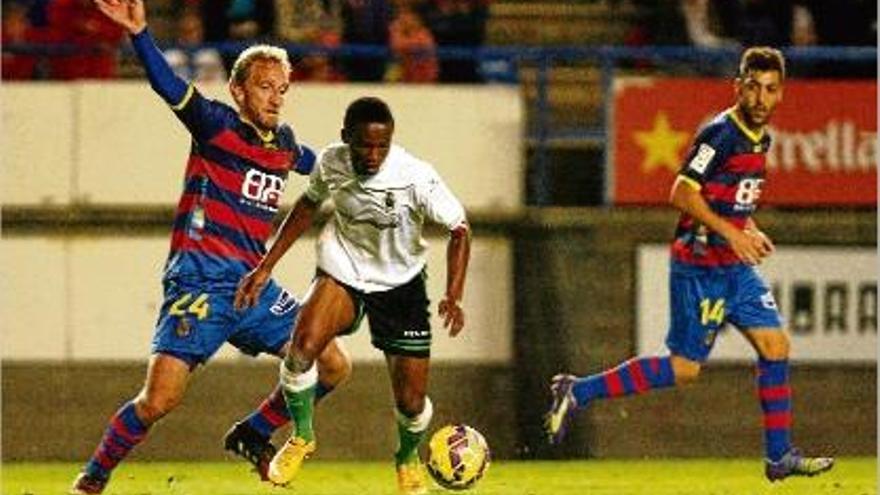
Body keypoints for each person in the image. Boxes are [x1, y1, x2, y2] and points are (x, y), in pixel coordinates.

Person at [70, 1, 351, 493]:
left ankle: (253, 432)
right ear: (238, 90)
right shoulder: (215, 125)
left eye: (282, 89)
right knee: (158, 401)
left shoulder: (283, 145)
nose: (275, 98)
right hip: (198, 282)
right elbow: (169, 87)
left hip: (251, 289)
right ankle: (92, 479)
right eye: (265, 87)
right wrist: (140, 35)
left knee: (333, 364)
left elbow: (324, 165)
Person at [543, 47, 835, 482]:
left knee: (776, 347)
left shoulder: (761, 138)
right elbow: (682, 191)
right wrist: (733, 233)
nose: (759, 97)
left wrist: (747, 228)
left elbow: (728, 197)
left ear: (781, 95)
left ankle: (779, 457)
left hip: (733, 267)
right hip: (699, 267)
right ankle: (577, 390)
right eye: (752, 86)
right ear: (738, 85)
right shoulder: (721, 133)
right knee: (684, 369)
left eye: (769, 89)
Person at [234, 96, 471, 495]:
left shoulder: (415, 175)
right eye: (365, 145)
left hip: (401, 284)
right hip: (344, 270)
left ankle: (408, 457)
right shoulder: (331, 162)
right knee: (301, 348)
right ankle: (303, 436)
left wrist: (453, 294)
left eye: (383, 145)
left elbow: (460, 229)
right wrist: (266, 265)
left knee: (412, 403)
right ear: (347, 138)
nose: (374, 155)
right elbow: (308, 205)